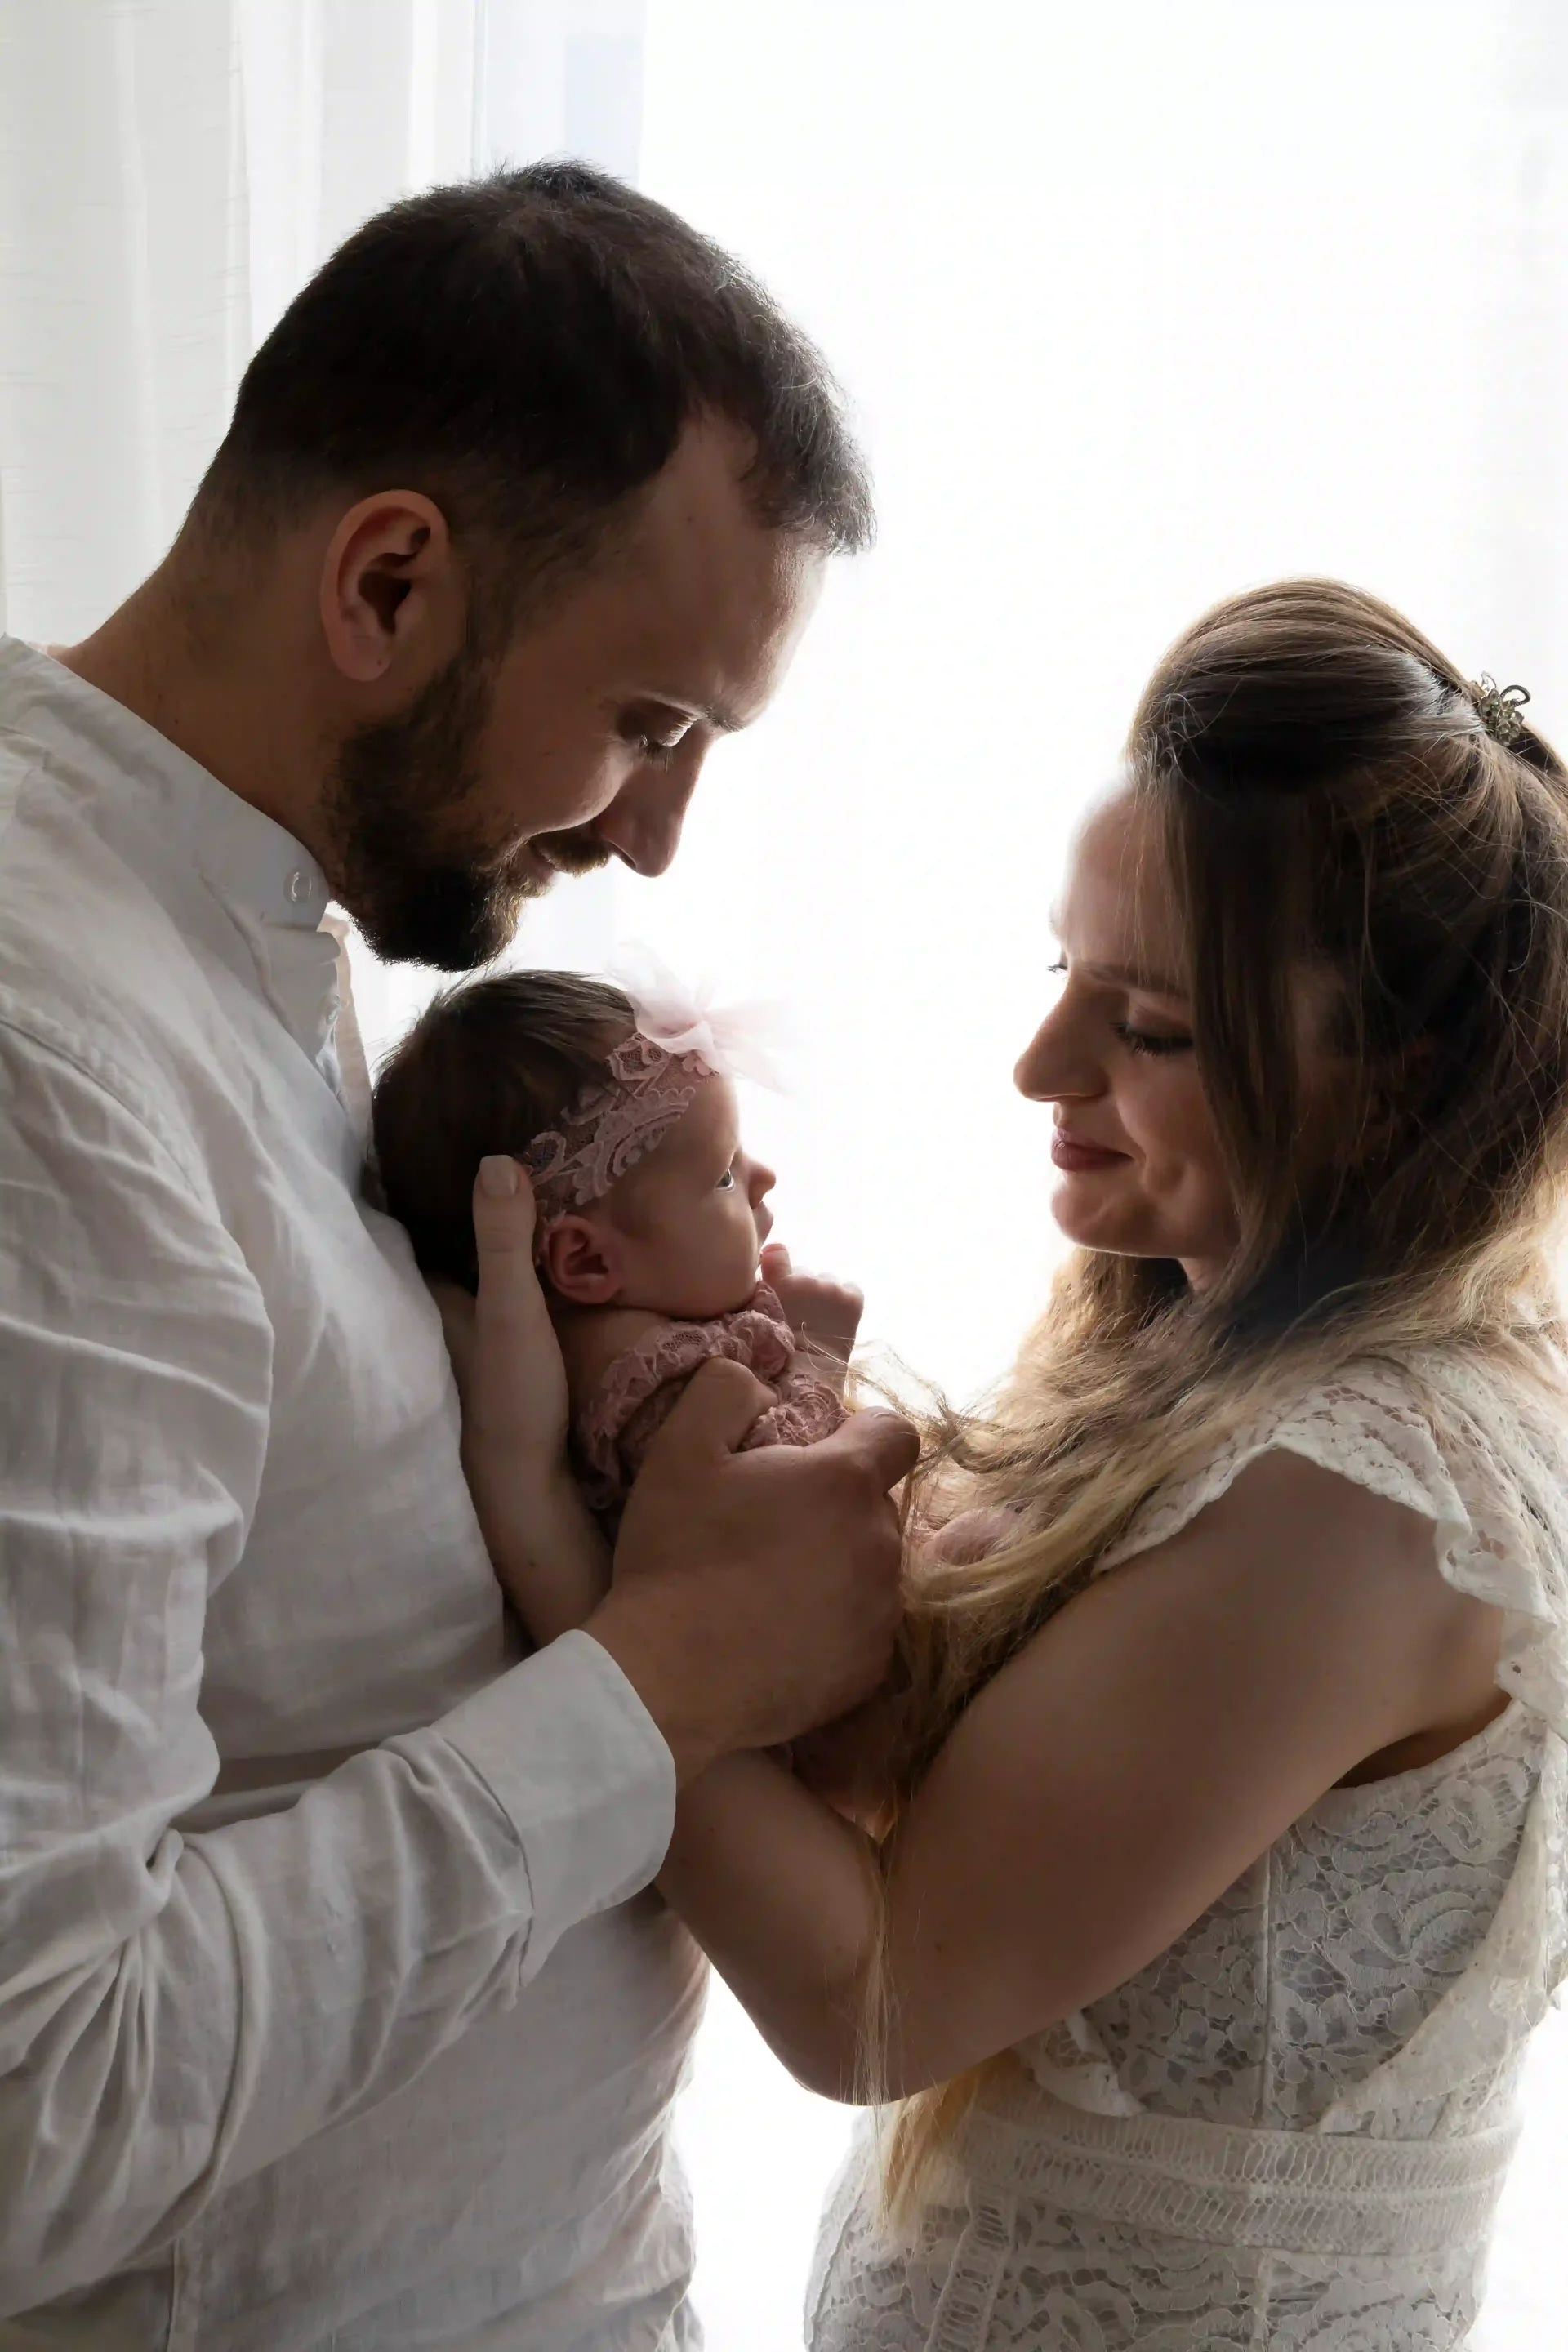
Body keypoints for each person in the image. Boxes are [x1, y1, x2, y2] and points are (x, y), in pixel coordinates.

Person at [0, 163, 917, 2350]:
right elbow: (36, 2111)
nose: (650, 833)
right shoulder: (45, 1062)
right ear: (391, 580)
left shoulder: (255, 932)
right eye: (649, 722)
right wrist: (668, 1674)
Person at [459, 580, 1568, 2349]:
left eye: (1153, 1029)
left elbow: (874, 2003)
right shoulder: (1219, 1352)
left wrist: (552, 1540)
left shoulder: (1365, 1495)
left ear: (1391, 1080)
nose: (1038, 1063)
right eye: (1068, 973)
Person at [370, 964, 858, 1548]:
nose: (764, 1177)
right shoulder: (641, 1375)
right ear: (587, 1262)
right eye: (724, 1175)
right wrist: (819, 1356)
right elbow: (785, 1511)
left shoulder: (654, 1334)